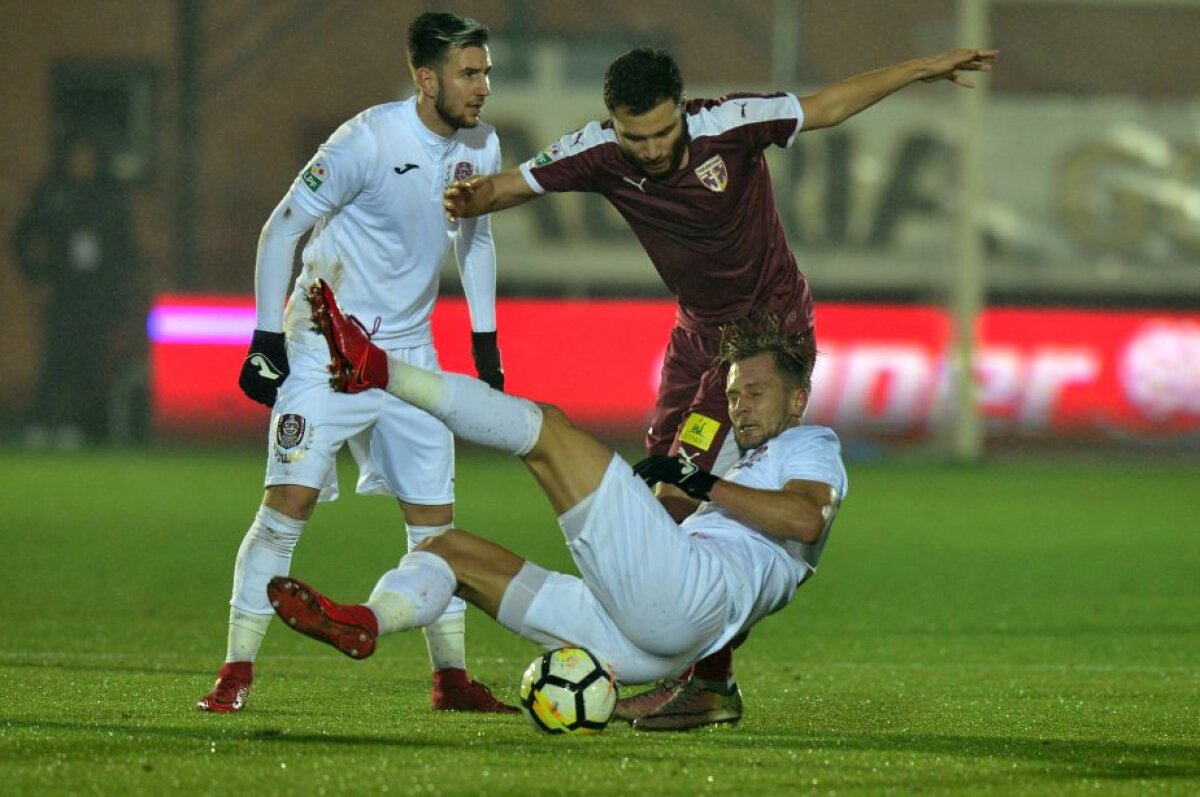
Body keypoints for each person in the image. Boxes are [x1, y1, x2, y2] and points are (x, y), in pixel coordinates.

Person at [441, 45, 997, 727]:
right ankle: (704, 675)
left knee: (679, 493)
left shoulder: (729, 124)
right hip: (696, 335)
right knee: (657, 495)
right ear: (613, 124)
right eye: (632, 135)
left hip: (765, 335)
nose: (647, 149)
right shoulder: (597, 151)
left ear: (682, 109)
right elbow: (508, 188)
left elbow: (826, 105)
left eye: (661, 133)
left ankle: (696, 675)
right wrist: (466, 195)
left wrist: (915, 70)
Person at [266, 280, 848, 732]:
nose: (740, 407)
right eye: (733, 394)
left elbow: (805, 517)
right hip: (649, 642)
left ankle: (377, 369)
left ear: (799, 399)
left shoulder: (810, 444)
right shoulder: (750, 464)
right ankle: (367, 620)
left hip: (691, 597)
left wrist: (701, 482)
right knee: (448, 551)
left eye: (756, 393)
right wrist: (685, 492)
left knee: (546, 430)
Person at [197, 12, 515, 715]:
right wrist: (264, 338)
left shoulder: (482, 145)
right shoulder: (366, 140)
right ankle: (235, 671)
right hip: (326, 346)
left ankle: (452, 678)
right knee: (287, 509)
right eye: (470, 72)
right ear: (426, 78)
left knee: (437, 526)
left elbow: (476, 240)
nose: (483, 86)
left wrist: (485, 342)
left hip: (407, 356)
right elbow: (283, 224)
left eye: (486, 71)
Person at [12, 137, 141, 448]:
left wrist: (118, 289)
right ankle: (41, 422)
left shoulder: (108, 196)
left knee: (87, 359)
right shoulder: (53, 192)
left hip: (95, 294)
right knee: (55, 356)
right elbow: (22, 237)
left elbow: (124, 247)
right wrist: (37, 278)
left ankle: (74, 424)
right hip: (61, 290)